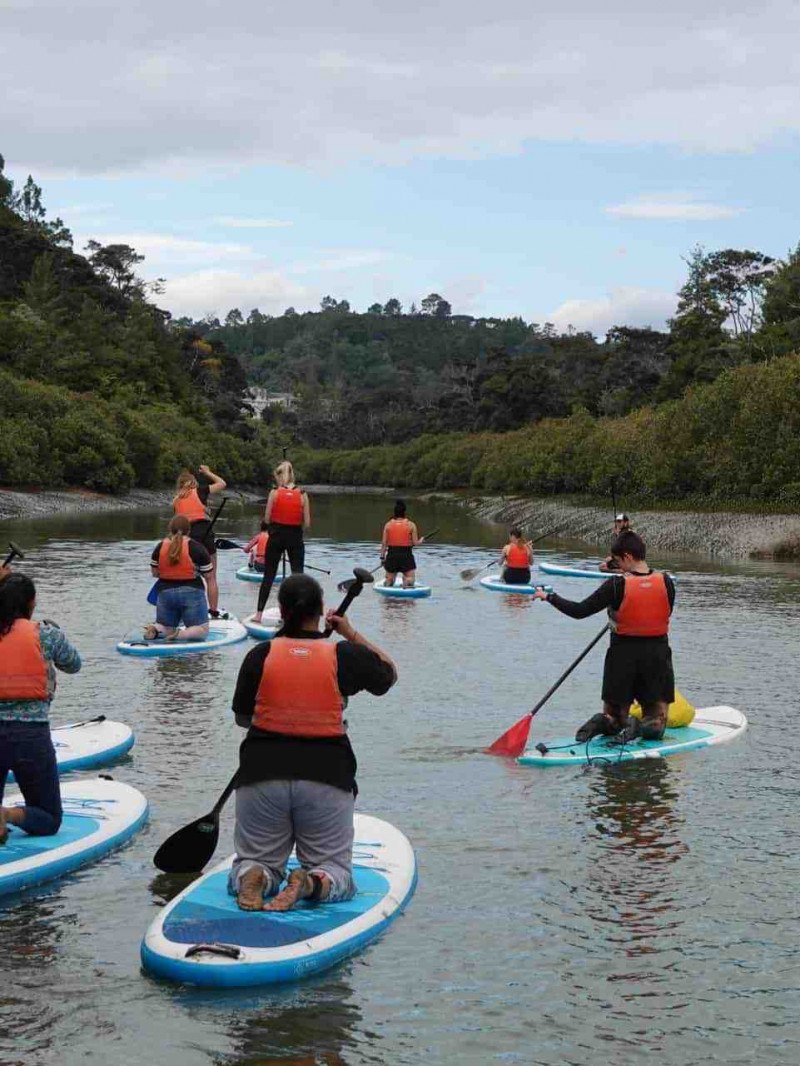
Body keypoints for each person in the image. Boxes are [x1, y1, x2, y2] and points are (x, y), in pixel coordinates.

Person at [229, 574, 397, 911]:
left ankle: (256, 875)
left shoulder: (260, 655)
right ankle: (310, 882)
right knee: (336, 873)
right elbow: (388, 674)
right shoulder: (343, 655)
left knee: (255, 860)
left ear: (281, 610)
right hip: (326, 777)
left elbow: (243, 719)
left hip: (261, 774)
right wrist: (349, 633)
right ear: (322, 610)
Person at [534, 530, 676, 744]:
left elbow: (579, 611)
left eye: (618, 561)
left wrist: (549, 597)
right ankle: (637, 726)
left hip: (622, 657)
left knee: (615, 720)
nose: (618, 566)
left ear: (627, 556)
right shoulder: (666, 582)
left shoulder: (616, 585)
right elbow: (663, 614)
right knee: (656, 724)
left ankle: (603, 723)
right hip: (657, 658)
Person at [0, 574, 81, 844]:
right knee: (48, 818)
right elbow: (73, 664)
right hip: (31, 736)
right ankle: (7, 815)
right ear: (31, 604)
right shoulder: (46, 634)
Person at [253, 462, 310, 623]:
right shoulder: (303, 494)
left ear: (279, 476)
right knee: (298, 576)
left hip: (277, 537)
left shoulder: (274, 493)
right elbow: (307, 523)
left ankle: (258, 615)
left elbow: (267, 518)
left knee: (269, 576)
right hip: (295, 538)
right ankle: (299, 616)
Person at [144, 515, 213, 641]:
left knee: (166, 627)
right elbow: (209, 576)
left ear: (170, 529)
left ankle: (156, 630)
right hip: (192, 592)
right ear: (189, 530)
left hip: (165, 593)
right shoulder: (197, 547)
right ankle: (181, 635)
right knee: (202, 630)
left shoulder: (160, 546)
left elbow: (155, 573)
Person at [173, 465, 226, 617]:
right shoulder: (200, 491)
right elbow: (222, 484)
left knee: (188, 575)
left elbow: (177, 525)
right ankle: (214, 611)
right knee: (211, 577)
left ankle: (187, 610)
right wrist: (208, 472)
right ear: (193, 482)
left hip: (187, 539)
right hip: (205, 534)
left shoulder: (176, 501)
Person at [380, 499, 425, 588]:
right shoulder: (411, 525)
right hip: (406, 556)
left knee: (389, 579)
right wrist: (421, 540)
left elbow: (384, 544)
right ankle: (407, 581)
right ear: (404, 512)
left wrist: (382, 558)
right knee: (411, 578)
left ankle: (389, 581)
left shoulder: (388, 525)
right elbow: (415, 543)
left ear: (395, 512)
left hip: (392, 556)